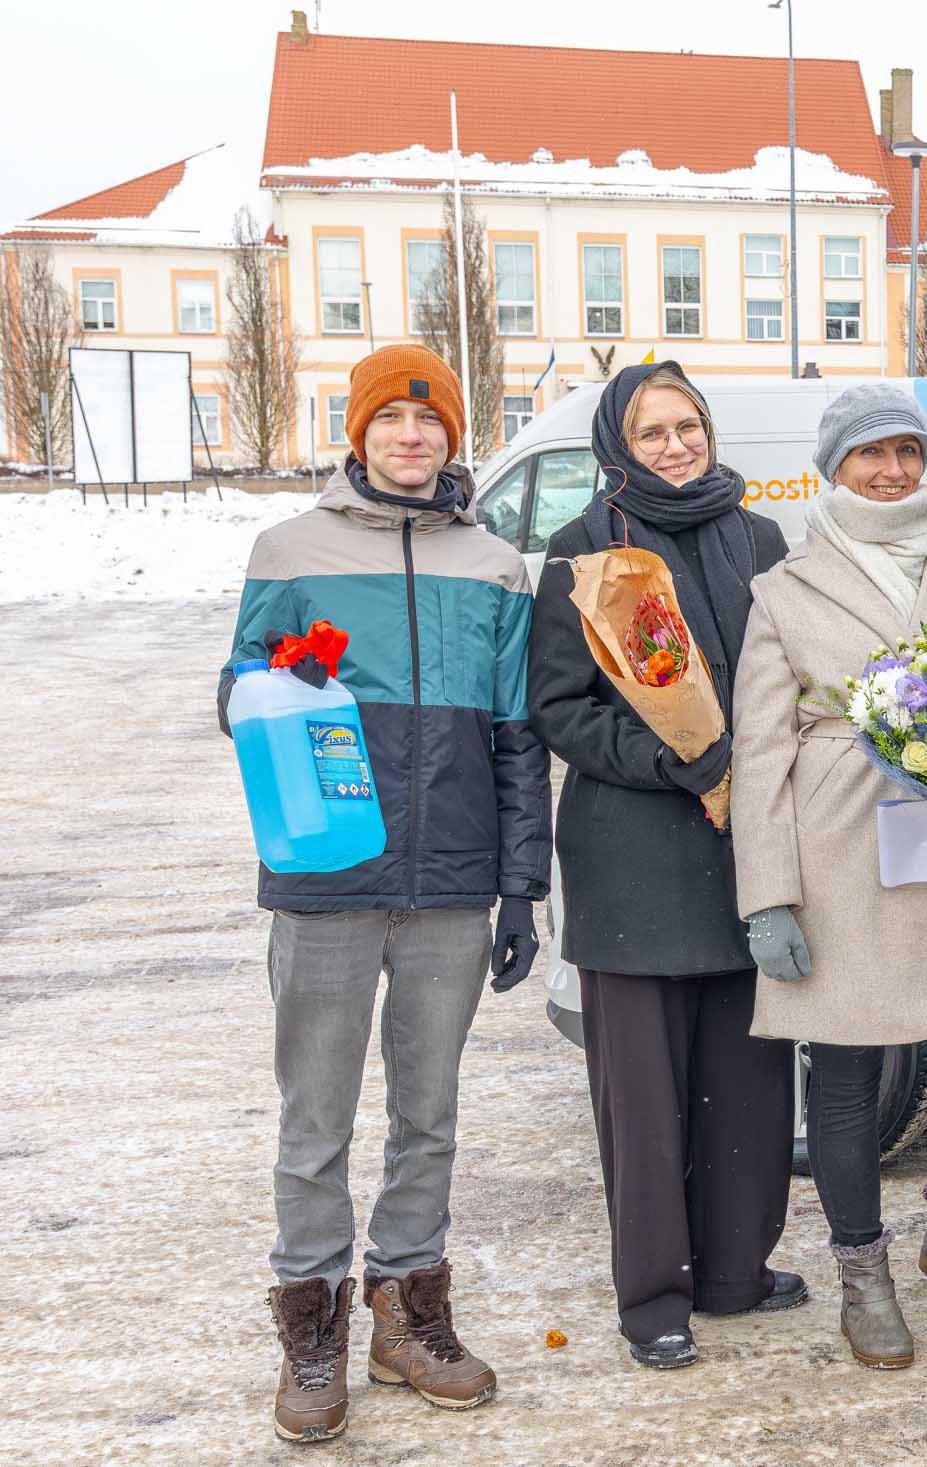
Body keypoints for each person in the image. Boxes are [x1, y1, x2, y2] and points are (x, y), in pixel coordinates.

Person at [218, 344, 549, 1442]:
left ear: (454, 435)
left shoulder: (493, 565)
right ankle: (310, 1326)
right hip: (326, 876)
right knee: (315, 1115)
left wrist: (520, 887)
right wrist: (282, 680)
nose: (412, 437)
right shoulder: (289, 551)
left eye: (431, 421)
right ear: (358, 433)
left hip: (451, 878)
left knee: (428, 1114)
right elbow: (233, 698)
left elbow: (517, 735)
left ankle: (408, 1312)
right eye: (391, 421)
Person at [730, 383, 927, 1371]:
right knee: (848, 1086)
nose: (892, 471)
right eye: (871, 454)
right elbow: (759, 753)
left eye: (906, 452)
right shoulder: (785, 589)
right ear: (835, 468)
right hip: (839, 854)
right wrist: (767, 894)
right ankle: (864, 1277)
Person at [526, 363, 805, 1370]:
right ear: (618, 445)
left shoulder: (758, 540)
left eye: (689, 426)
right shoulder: (584, 552)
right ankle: (654, 1298)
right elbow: (560, 709)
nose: (677, 446)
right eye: (653, 432)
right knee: (644, 1101)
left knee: (748, 1082)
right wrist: (675, 759)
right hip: (634, 857)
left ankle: (735, 1270)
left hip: (746, 849)